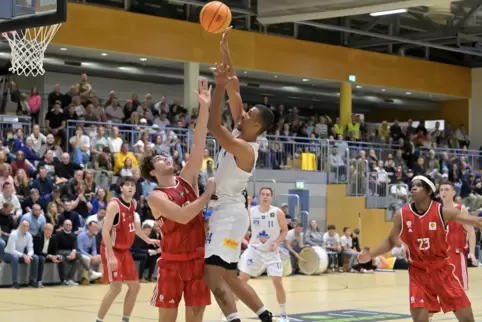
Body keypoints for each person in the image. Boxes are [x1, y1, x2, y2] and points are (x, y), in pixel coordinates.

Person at [204, 27, 275, 322]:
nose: (243, 115)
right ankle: (266, 316)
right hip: (229, 212)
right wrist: (226, 53)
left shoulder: (247, 149)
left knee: (211, 274)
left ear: (257, 127)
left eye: (250, 117)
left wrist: (217, 87)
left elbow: (213, 128)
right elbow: (235, 87)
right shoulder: (240, 128)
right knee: (230, 276)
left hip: (229, 215)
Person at [358, 175, 481, 322]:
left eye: (419, 185)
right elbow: (391, 240)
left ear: (429, 191)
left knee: (467, 319)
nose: (413, 187)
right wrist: (370, 254)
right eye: (412, 185)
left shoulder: (443, 211)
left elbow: (476, 221)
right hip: (418, 273)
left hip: (443, 271)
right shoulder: (401, 214)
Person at [143, 79, 215, 322]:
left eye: (166, 155)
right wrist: (206, 195)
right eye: (160, 159)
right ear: (152, 172)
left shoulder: (186, 178)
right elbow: (184, 216)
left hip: (196, 261)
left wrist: (204, 107)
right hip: (172, 264)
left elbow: (198, 143)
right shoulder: (155, 197)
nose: (166, 158)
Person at [96, 176, 159, 322]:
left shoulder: (133, 204)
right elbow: (105, 231)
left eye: (133, 185)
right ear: (121, 188)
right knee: (116, 288)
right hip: (111, 249)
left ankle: (125, 319)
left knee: (135, 287)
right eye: (127, 185)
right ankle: (99, 320)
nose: (130, 187)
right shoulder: (114, 205)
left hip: (125, 251)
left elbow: (136, 229)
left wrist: (148, 239)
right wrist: (110, 256)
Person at [238, 187, 289, 320]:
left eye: (268, 194)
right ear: (259, 197)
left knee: (278, 283)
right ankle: (228, 315)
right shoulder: (252, 211)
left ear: (271, 197)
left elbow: (284, 230)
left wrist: (277, 242)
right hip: (254, 250)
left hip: (272, 252)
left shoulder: (277, 212)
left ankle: (284, 314)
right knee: (241, 281)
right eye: (262, 194)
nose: (265, 197)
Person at [439, 181, 477, 289]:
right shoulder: (437, 211)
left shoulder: (460, 210)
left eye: (446, 189)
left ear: (453, 193)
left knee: (459, 292)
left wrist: (472, 253)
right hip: (441, 258)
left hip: (456, 256)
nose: (443, 192)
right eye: (441, 190)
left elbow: (471, 232)